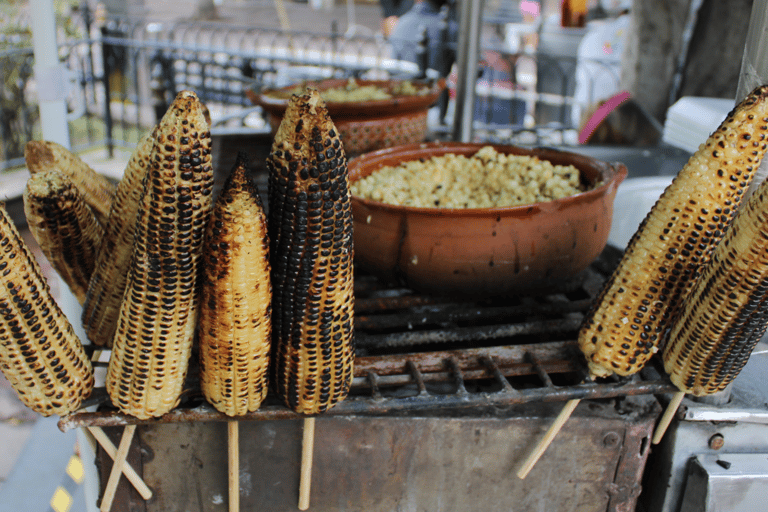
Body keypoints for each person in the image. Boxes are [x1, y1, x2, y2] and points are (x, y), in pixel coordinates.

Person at [388, 0, 457, 76]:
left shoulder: (401, 22)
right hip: (432, 85)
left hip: (401, 83)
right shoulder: (451, 28)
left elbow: (392, 68)